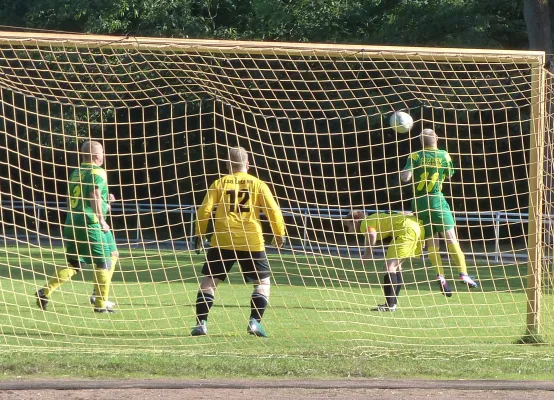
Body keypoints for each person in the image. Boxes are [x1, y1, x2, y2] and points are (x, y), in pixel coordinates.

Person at [191, 146, 286, 337]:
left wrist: (199, 234)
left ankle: (201, 323)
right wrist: (279, 233)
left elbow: (204, 210)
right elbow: (273, 211)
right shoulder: (258, 184)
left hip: (223, 239)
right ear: (248, 165)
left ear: (228, 165)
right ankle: (254, 322)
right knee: (262, 282)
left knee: (210, 281)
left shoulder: (219, 183)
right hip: (250, 240)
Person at [35, 140, 119, 313]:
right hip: (90, 224)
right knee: (104, 262)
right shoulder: (98, 172)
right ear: (97, 155)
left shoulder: (76, 173)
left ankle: (44, 291)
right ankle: (99, 303)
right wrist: (101, 219)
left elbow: (89, 197)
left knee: (80, 263)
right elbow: (93, 194)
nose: (104, 155)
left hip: (72, 222)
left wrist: (105, 201)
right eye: (102, 152)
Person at [400, 128, 478, 297]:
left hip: (419, 202)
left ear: (421, 141)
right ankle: (463, 273)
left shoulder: (414, 156)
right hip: (437, 200)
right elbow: (449, 175)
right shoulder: (444, 155)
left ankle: (440, 275)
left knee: (431, 241)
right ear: (436, 138)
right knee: (450, 237)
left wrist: (410, 169)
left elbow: (405, 178)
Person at [344, 210, 424, 312]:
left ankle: (389, 305)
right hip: (416, 228)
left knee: (389, 267)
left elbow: (372, 234)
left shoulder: (365, 223)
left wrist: (367, 254)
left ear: (354, 221)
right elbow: (405, 213)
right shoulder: (376, 217)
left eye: (348, 226)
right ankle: (392, 303)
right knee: (396, 267)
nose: (348, 230)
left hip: (405, 231)